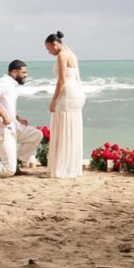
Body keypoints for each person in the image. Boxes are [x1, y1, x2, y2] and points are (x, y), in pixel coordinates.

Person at [45, 31, 85, 178]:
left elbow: (61, 81)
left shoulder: (62, 55)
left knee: (63, 129)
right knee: (70, 128)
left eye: (49, 49)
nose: (49, 52)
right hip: (75, 92)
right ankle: (71, 165)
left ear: (55, 44)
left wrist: (53, 101)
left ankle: (64, 167)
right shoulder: (71, 53)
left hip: (67, 94)